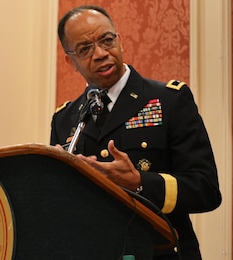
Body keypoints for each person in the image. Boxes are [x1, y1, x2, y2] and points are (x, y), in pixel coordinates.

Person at [50, 5, 222, 260]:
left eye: (107, 41)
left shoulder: (169, 100)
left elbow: (206, 190)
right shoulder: (64, 118)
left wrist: (140, 183)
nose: (100, 54)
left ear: (120, 41)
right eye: (85, 49)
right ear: (70, 61)